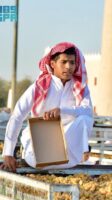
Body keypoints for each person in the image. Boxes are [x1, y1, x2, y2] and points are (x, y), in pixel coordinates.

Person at [2, 42, 93, 172]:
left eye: (72, 62)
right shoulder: (39, 86)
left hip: (67, 144)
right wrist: (8, 153)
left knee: (85, 119)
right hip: (39, 143)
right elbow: (17, 116)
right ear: (52, 64)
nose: (69, 66)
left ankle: (70, 160)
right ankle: (56, 162)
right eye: (64, 62)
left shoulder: (80, 87)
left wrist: (62, 111)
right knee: (42, 158)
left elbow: (88, 111)